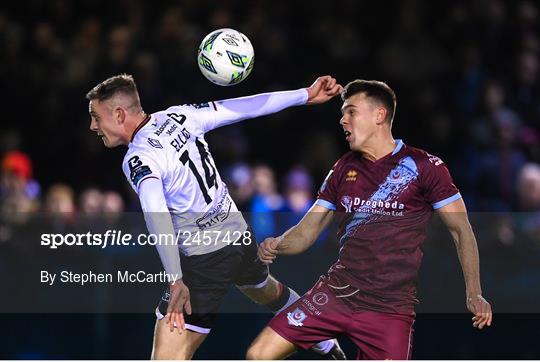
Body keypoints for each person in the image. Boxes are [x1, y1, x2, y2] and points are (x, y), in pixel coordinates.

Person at [85, 74, 346, 359]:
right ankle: (326, 343)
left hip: (204, 260)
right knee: (264, 289)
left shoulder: (139, 157)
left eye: (96, 117)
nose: (93, 126)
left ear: (119, 114)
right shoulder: (180, 116)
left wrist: (175, 280)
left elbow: (155, 216)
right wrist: (305, 94)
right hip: (238, 235)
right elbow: (245, 106)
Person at [249, 80, 493, 360]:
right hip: (335, 295)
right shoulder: (343, 168)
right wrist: (277, 244)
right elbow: (307, 231)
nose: (343, 120)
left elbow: (462, 231)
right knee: (258, 355)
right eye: (343, 113)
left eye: (351, 112)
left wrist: (474, 293)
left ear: (379, 115)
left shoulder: (425, 166)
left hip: (389, 310)